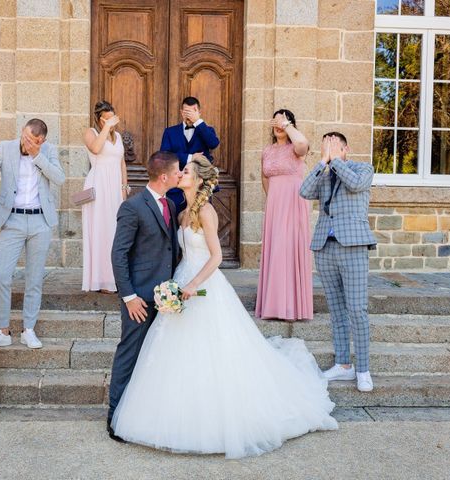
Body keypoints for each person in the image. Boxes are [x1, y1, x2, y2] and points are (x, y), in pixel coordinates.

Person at [111, 154, 337, 459]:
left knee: (213, 353)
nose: (181, 174)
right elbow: (148, 252)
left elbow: (215, 258)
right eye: (180, 171)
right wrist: (161, 289)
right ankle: (148, 413)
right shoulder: (179, 210)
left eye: (186, 171)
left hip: (202, 288)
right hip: (175, 286)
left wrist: (192, 286)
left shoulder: (206, 211)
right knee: (167, 352)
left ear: (199, 179)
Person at [107, 151, 182, 442]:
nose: (180, 175)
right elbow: (119, 254)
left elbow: (169, 249)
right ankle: (114, 418)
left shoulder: (172, 205)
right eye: (177, 172)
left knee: (155, 357)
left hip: (165, 298)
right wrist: (128, 296)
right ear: (164, 176)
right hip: (138, 298)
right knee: (130, 354)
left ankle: (145, 416)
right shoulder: (133, 207)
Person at [300, 132, 377, 393]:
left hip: (353, 246)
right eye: (326, 146)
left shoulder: (362, 168)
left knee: (357, 309)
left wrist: (337, 162)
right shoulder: (324, 172)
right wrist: (322, 162)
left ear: (345, 149)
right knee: (336, 310)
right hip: (325, 247)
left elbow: (355, 184)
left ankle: (363, 369)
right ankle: (343, 365)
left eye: (334, 146)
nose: (330, 151)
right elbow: (304, 191)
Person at [0, 118, 66, 349]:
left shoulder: (48, 150)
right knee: (0, 275)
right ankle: (2, 329)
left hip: (40, 220)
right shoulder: (5, 148)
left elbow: (60, 178)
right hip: (12, 219)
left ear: (43, 140)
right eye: (28, 138)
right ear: (22, 131)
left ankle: (28, 329)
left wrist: (38, 155)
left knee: (34, 277)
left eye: (36, 141)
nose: (30, 143)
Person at [256, 109, 313, 321]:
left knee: (288, 247)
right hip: (275, 204)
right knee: (275, 249)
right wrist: (273, 201)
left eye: (283, 120)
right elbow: (265, 178)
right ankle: (273, 305)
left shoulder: (296, 148)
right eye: (276, 120)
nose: (278, 124)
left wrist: (287, 125)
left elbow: (302, 142)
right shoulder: (267, 150)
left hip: (294, 202)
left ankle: (291, 307)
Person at [82, 101, 129, 293]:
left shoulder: (117, 136)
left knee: (115, 232)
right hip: (98, 187)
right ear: (99, 119)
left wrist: (124, 187)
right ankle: (101, 281)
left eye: (113, 118)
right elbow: (95, 149)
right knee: (100, 231)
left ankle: (115, 277)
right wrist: (105, 128)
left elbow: (122, 163)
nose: (111, 122)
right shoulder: (90, 133)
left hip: (115, 188)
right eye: (106, 119)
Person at [160, 96, 220, 213]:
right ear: (181, 112)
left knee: (200, 223)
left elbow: (213, 143)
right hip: (175, 188)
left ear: (199, 112)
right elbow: (165, 156)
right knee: (175, 224)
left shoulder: (207, 130)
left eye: (192, 111)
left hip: (200, 189)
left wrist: (198, 121)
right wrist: (190, 157)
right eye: (186, 112)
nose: (188, 115)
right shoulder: (170, 132)